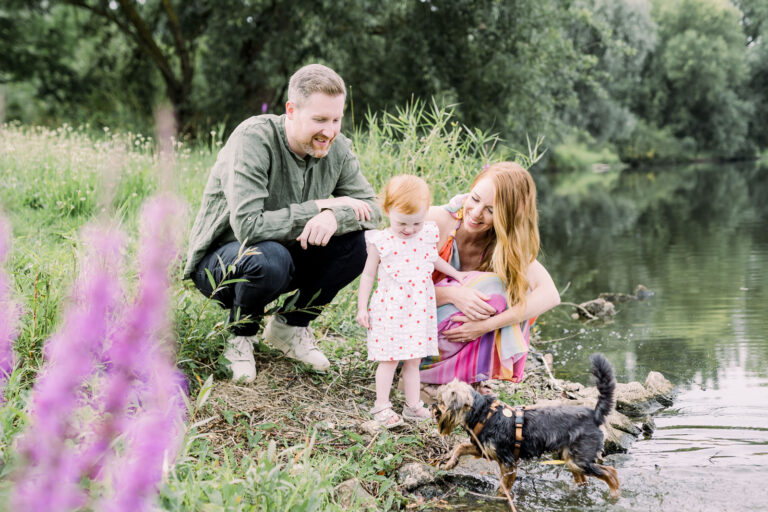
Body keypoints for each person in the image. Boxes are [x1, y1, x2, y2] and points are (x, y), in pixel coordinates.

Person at [183, 64, 381, 383]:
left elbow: (373, 209)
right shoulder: (254, 138)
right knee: (269, 258)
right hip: (224, 263)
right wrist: (318, 205)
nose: (330, 131)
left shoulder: (337, 148)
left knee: (361, 244)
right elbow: (249, 227)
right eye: (319, 119)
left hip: (286, 255)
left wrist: (334, 215)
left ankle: (289, 328)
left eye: (336, 119)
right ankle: (241, 336)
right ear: (291, 110)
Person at [419, 162, 560, 391]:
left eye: (491, 210)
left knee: (514, 289)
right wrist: (452, 295)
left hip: (454, 333)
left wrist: (485, 326)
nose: (475, 213)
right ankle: (424, 376)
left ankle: (463, 375)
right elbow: (395, 293)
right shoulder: (435, 221)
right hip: (410, 334)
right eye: (474, 199)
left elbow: (549, 295)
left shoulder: (504, 244)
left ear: (509, 216)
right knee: (493, 285)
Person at [356, 175, 468, 428]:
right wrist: (362, 307)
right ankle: (381, 407)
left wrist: (456, 273)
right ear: (387, 212)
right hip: (391, 309)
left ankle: (412, 405)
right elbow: (368, 274)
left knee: (414, 359)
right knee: (390, 358)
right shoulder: (381, 241)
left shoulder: (426, 234)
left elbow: (433, 260)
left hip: (418, 308)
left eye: (416, 222)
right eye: (402, 223)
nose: (409, 230)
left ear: (426, 213)